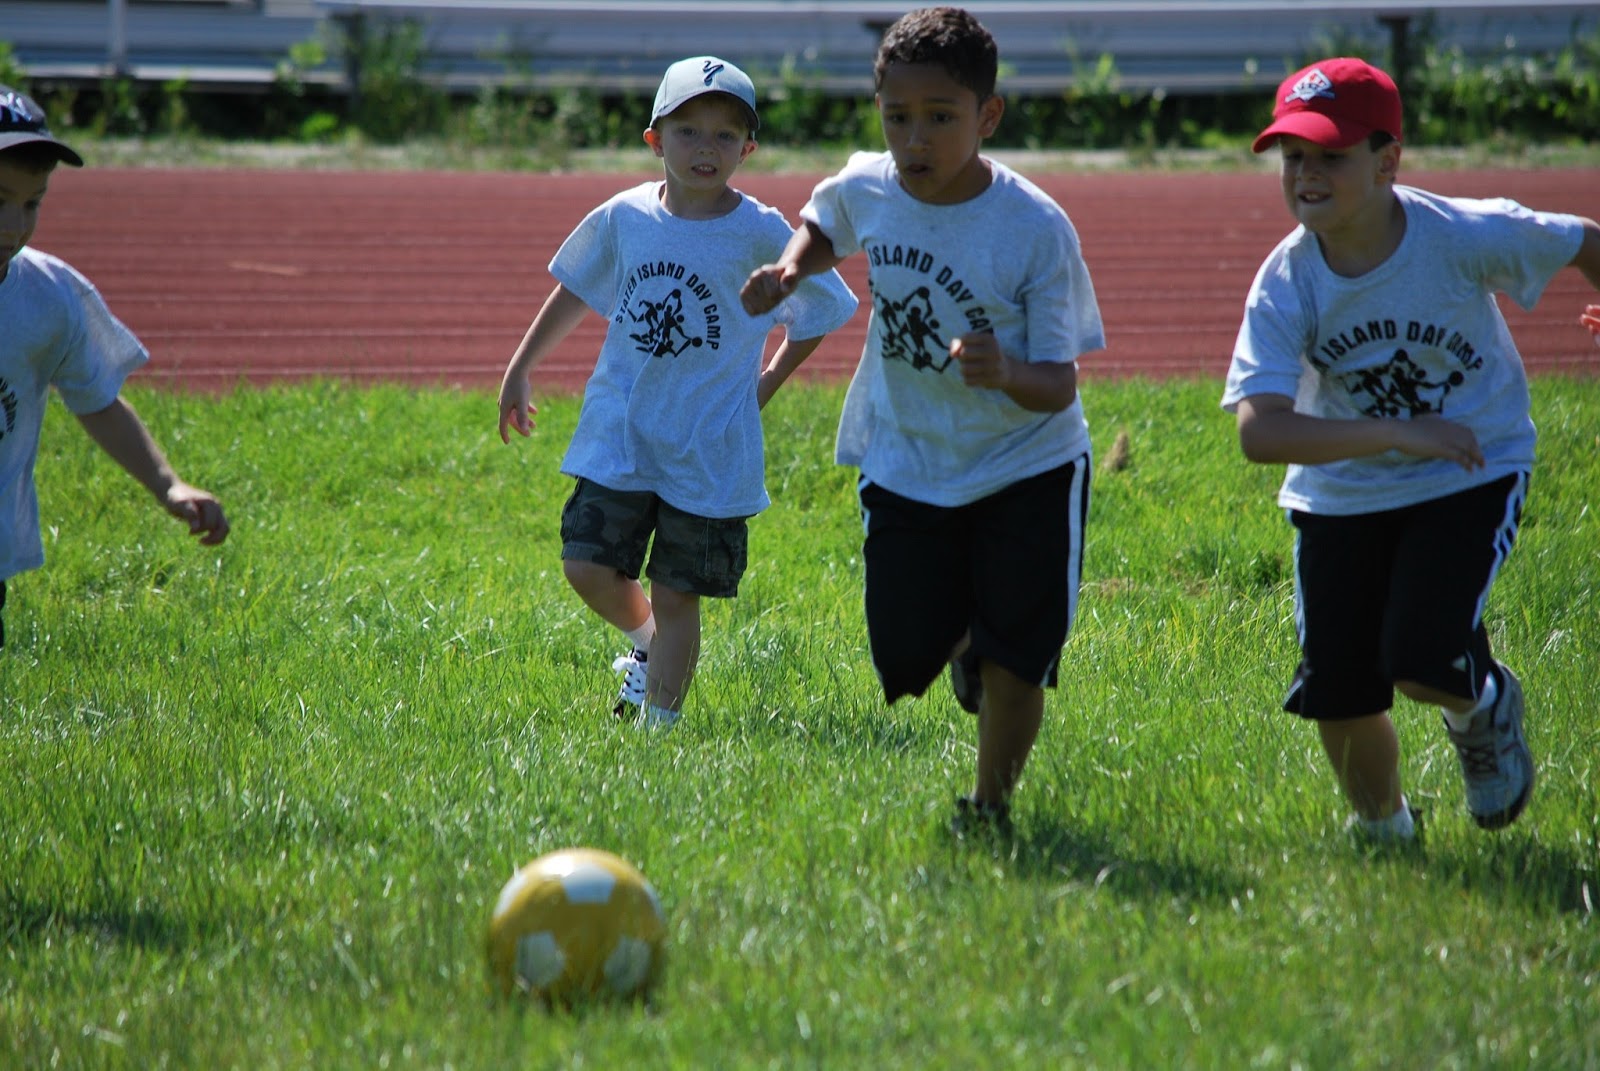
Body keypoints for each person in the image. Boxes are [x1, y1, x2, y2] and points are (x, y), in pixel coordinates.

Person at [741, 7, 1104, 838]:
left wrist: (1004, 371)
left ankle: (991, 805)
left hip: (1027, 462)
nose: (915, 139)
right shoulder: (873, 183)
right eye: (898, 117)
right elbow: (828, 222)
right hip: (907, 455)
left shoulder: (1034, 227)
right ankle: (968, 649)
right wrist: (790, 271)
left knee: (1020, 658)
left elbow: (1059, 382)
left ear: (988, 117)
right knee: (906, 649)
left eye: (940, 118)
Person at [1221, 58, 1600, 843]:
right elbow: (1260, 431)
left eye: (1332, 155)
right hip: (1344, 490)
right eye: (1294, 157)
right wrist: (1396, 430)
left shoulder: (1461, 235)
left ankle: (1482, 707)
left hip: (1471, 463)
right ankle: (1386, 830)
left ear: (1387, 161)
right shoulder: (1287, 278)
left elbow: (1582, 240)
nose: (1307, 175)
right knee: (1340, 690)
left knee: (1421, 656)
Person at [497, 56, 857, 729]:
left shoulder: (760, 231)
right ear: (655, 140)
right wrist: (521, 367)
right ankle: (647, 645)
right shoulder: (626, 216)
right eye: (688, 131)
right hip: (624, 430)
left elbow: (824, 309)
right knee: (586, 564)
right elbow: (577, 286)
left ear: (748, 149)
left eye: (725, 136)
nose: (706, 148)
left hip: (709, 445)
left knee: (679, 591)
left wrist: (767, 382)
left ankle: (659, 730)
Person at [1, 85, 230, 650]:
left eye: (32, 203)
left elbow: (97, 400)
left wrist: (168, 485)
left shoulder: (48, 296)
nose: (14, 224)